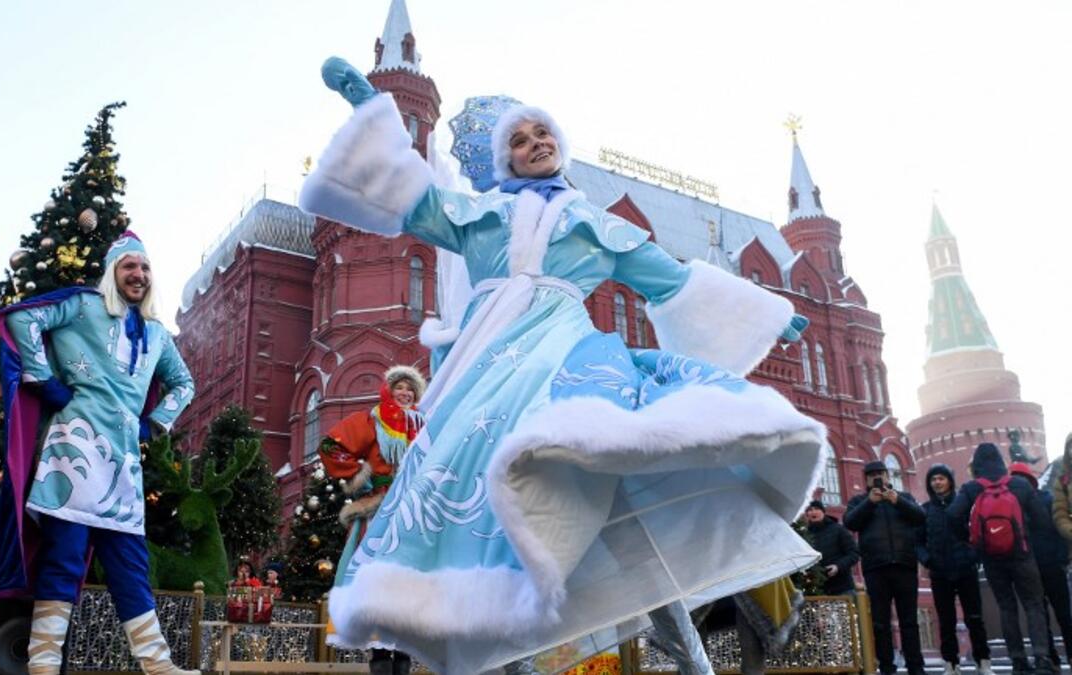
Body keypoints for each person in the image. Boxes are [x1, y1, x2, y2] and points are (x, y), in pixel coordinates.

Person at [296, 57, 826, 674]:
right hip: (491, 373)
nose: (535, 144)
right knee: (497, 516)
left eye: (542, 133)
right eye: (518, 140)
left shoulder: (596, 226)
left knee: (625, 514)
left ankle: (693, 665)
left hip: (573, 366)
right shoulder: (478, 219)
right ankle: (508, 658)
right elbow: (411, 197)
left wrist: (765, 312)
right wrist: (371, 108)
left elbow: (671, 280)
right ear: (505, 160)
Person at [0, 231, 197, 675]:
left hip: (123, 464)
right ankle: (42, 665)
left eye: (144, 268)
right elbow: (23, 321)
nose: (138, 275)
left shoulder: (157, 334)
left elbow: (185, 383)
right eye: (128, 267)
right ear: (112, 272)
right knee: (63, 559)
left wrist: (156, 421)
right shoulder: (84, 307)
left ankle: (158, 665)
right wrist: (45, 380)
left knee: (130, 566)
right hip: (75, 453)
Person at [317, 365, 426, 675]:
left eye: (410, 388)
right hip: (381, 510)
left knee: (409, 582)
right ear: (389, 390)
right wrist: (362, 478)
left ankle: (404, 656)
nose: (405, 393)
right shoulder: (373, 419)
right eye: (399, 387)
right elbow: (330, 446)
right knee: (375, 580)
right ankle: (380, 655)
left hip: (414, 511)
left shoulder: (425, 424)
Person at [949, 443, 1054, 675]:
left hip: (992, 558)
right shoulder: (1019, 485)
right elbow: (1042, 520)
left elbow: (952, 515)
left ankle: (1018, 660)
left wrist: (972, 540)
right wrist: (1025, 535)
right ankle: (1042, 658)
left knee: (1007, 608)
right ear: (1000, 461)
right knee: (1034, 605)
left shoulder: (972, 488)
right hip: (1023, 555)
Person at [842, 460, 926, 675]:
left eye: (880, 473)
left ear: (888, 476)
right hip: (875, 568)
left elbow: (920, 517)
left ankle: (916, 667)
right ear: (866, 479)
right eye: (871, 475)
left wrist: (897, 501)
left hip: (904, 565)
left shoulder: (903, 497)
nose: (876, 477)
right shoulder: (859, 501)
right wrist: (870, 503)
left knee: (909, 621)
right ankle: (887, 667)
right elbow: (850, 522)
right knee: (880, 622)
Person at [917, 464, 992, 675]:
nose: (937, 482)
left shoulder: (965, 505)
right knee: (946, 620)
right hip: (939, 572)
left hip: (965, 569)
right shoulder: (925, 510)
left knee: (975, 618)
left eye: (941, 478)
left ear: (949, 481)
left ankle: (983, 662)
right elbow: (918, 542)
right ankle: (950, 664)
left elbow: (978, 532)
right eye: (933, 480)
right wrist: (927, 559)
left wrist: (973, 556)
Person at [1010, 461, 1072, 667]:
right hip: (1048, 563)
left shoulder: (1014, 506)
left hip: (1032, 565)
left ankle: (1050, 657)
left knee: (1040, 613)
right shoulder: (1045, 499)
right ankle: (1061, 654)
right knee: (1060, 612)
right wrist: (1062, 558)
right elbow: (1058, 530)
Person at [802, 500, 859, 596]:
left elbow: (854, 554)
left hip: (843, 587)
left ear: (823, 512)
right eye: (810, 510)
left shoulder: (838, 529)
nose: (813, 512)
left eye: (816, 509)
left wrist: (838, 566)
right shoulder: (805, 535)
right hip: (817, 590)